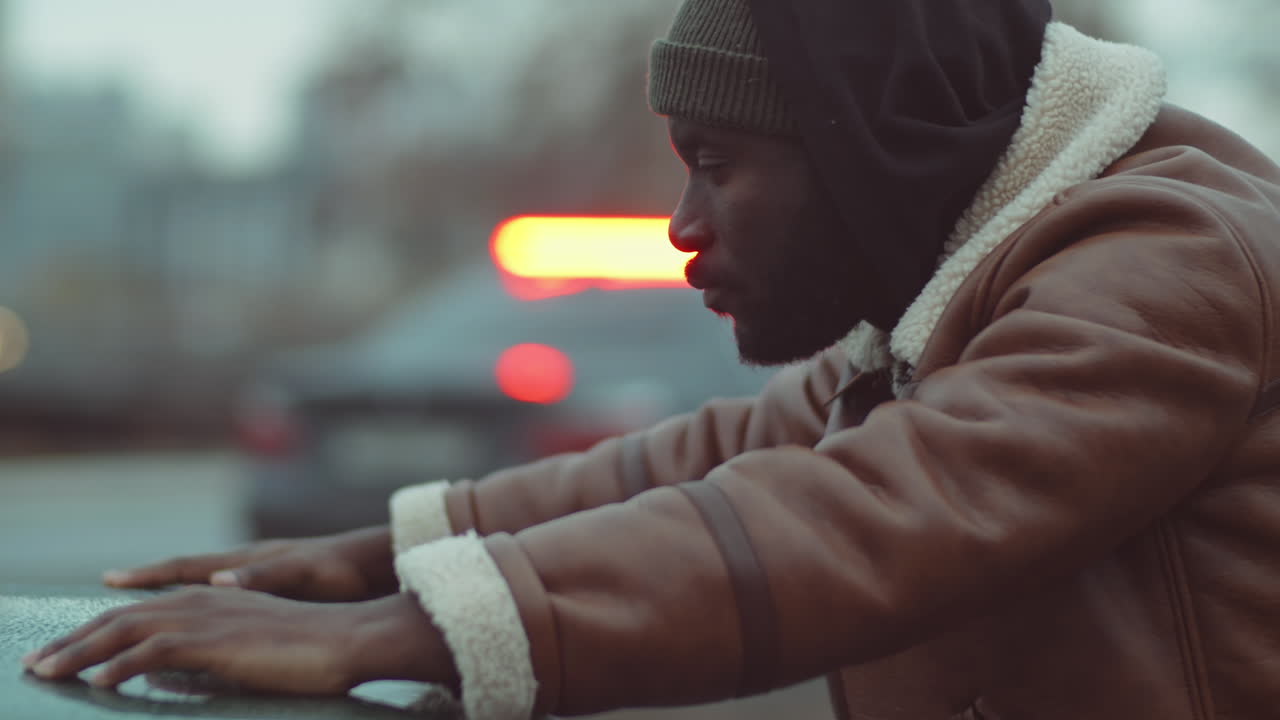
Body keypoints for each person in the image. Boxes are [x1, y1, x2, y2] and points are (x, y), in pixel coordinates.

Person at [22, 0, 1280, 717]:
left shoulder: (1169, 258)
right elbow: (729, 452)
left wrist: (401, 632)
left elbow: (892, 509)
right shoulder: (955, 290)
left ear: (874, 157)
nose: (681, 224)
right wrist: (380, 555)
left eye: (717, 166)